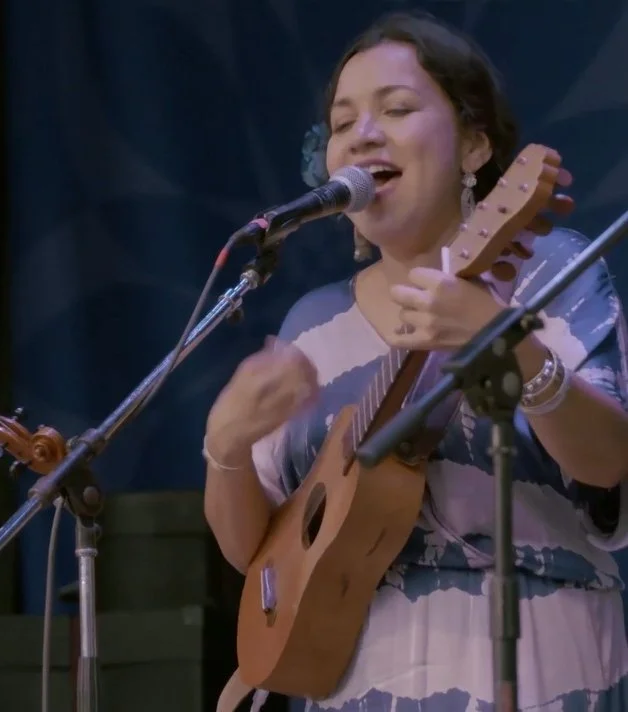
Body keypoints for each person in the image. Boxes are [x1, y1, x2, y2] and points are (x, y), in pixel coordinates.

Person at [204, 11, 628, 711]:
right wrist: (224, 449)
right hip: (351, 677)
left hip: (538, 658)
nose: (362, 134)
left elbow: (608, 462)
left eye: (397, 109)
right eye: (342, 123)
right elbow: (261, 560)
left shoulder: (549, 271)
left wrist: (507, 341)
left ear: (474, 146)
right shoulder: (313, 324)